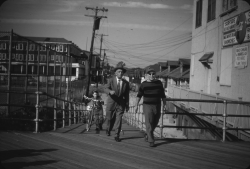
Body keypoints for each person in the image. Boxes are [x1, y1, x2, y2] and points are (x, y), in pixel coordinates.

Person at [134, 66, 167, 147]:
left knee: (155, 122)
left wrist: (165, 105)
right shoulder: (143, 84)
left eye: (153, 74)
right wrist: (136, 106)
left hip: (157, 105)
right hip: (147, 105)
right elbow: (139, 96)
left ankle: (148, 134)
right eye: (150, 74)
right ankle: (151, 140)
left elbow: (163, 95)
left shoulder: (159, 83)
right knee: (149, 123)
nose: (152, 75)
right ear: (146, 75)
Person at [104, 62, 130, 142]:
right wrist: (110, 91)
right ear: (115, 72)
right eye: (119, 71)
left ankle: (117, 135)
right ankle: (108, 129)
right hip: (111, 102)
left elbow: (126, 95)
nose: (120, 73)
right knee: (109, 118)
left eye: (122, 72)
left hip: (120, 103)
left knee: (119, 119)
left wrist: (127, 104)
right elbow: (105, 88)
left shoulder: (126, 83)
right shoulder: (111, 80)